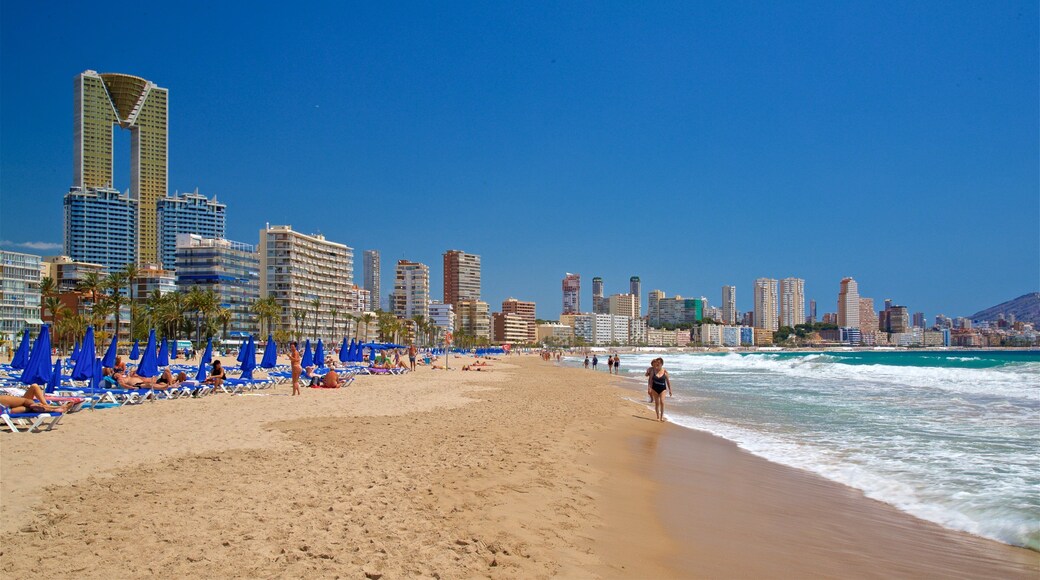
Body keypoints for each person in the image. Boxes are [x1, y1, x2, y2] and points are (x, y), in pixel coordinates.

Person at [0, 394, 71, 414]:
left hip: (5, 412)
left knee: (28, 408)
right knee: (25, 401)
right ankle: (55, 408)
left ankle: (54, 409)